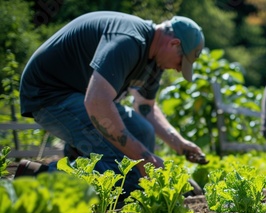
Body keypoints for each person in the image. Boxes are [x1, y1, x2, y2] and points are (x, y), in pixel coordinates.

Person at [16, 11, 206, 194]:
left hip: (83, 97)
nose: (179, 70)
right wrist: (144, 158)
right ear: (174, 43)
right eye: (182, 63)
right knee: (124, 167)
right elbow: (97, 103)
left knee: (142, 132)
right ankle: (35, 178)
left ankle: (93, 170)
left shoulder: (155, 60)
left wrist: (179, 143)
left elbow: (146, 109)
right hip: (48, 93)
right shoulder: (129, 40)